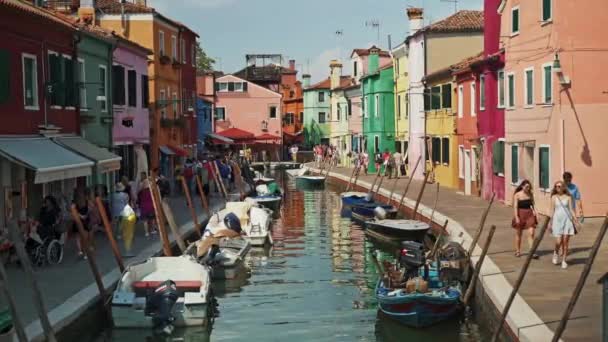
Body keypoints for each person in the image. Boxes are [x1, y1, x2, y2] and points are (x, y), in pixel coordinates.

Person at [549, 180, 580, 269]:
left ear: (563, 187)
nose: (558, 188)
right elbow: (551, 210)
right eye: (556, 186)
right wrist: (550, 223)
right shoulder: (554, 197)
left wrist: (575, 219)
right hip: (557, 221)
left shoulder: (568, 197)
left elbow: (571, 209)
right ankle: (555, 253)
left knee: (565, 242)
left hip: (567, 220)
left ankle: (564, 261)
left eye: (559, 186)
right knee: (559, 241)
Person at [511, 180, 538, 258]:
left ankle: (532, 251)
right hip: (520, 214)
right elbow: (515, 207)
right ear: (522, 186)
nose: (528, 188)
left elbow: (533, 204)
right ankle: (518, 251)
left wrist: (536, 213)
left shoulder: (530, 194)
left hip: (529, 214)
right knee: (519, 233)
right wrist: (516, 217)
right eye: (526, 187)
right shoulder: (517, 195)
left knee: (531, 232)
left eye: (529, 187)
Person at [72, 189, 92, 258]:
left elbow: (91, 209)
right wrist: (82, 216)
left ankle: (82, 251)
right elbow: (72, 211)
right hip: (80, 221)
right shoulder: (76, 203)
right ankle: (81, 251)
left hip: (84, 221)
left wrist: (85, 215)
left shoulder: (86, 202)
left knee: (82, 237)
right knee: (80, 237)